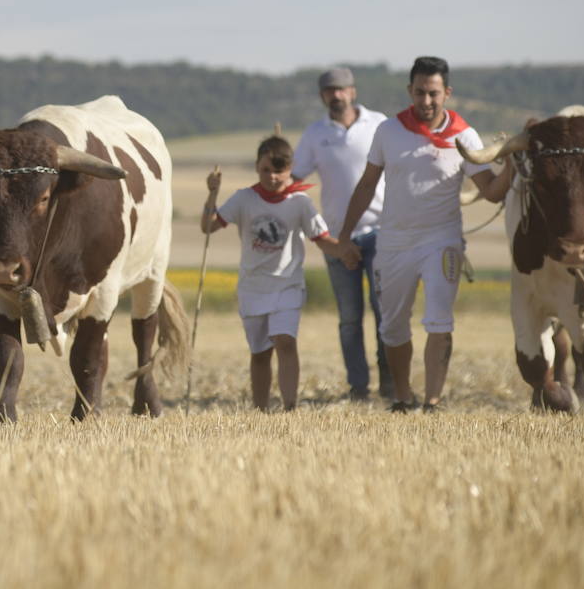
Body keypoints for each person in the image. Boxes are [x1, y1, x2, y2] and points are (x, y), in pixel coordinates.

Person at [333, 56, 513, 412]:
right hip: (394, 241)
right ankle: (402, 396)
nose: (426, 102)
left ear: (447, 92)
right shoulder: (388, 131)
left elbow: (491, 190)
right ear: (409, 91)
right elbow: (367, 184)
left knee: (439, 320)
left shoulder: (465, 135)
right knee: (393, 328)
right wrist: (343, 238)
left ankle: (432, 400)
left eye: (433, 94)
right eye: (419, 93)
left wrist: (512, 168)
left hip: (442, 239)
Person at [201, 131, 341, 411]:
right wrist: (212, 194)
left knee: (285, 342)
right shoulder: (244, 199)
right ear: (257, 167)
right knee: (260, 353)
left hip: (288, 285)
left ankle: (290, 407)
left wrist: (347, 251)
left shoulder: (300, 202)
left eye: (279, 171)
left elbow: (322, 239)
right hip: (253, 287)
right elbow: (209, 226)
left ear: (290, 170)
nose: (273, 177)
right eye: (266, 170)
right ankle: (260, 409)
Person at [291, 67, 391, 401]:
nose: (336, 96)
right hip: (337, 240)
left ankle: (390, 384)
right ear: (322, 96)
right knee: (349, 318)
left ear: (353, 91)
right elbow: (295, 178)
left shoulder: (379, 124)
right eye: (330, 91)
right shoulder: (314, 134)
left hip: (381, 231)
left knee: (384, 312)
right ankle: (359, 387)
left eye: (342, 90)